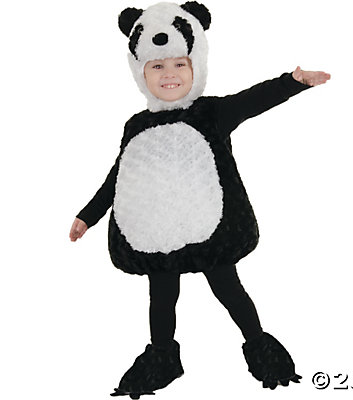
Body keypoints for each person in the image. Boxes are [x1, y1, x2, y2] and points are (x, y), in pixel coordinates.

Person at [70, 2, 330, 399]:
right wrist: (88, 216)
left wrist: (292, 82)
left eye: (180, 64)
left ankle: (261, 349)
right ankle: (162, 359)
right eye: (157, 66)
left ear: (196, 66)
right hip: (158, 232)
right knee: (161, 298)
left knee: (229, 290)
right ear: (140, 72)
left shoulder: (212, 113)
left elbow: (253, 100)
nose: (169, 74)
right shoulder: (136, 125)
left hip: (209, 230)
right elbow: (119, 175)